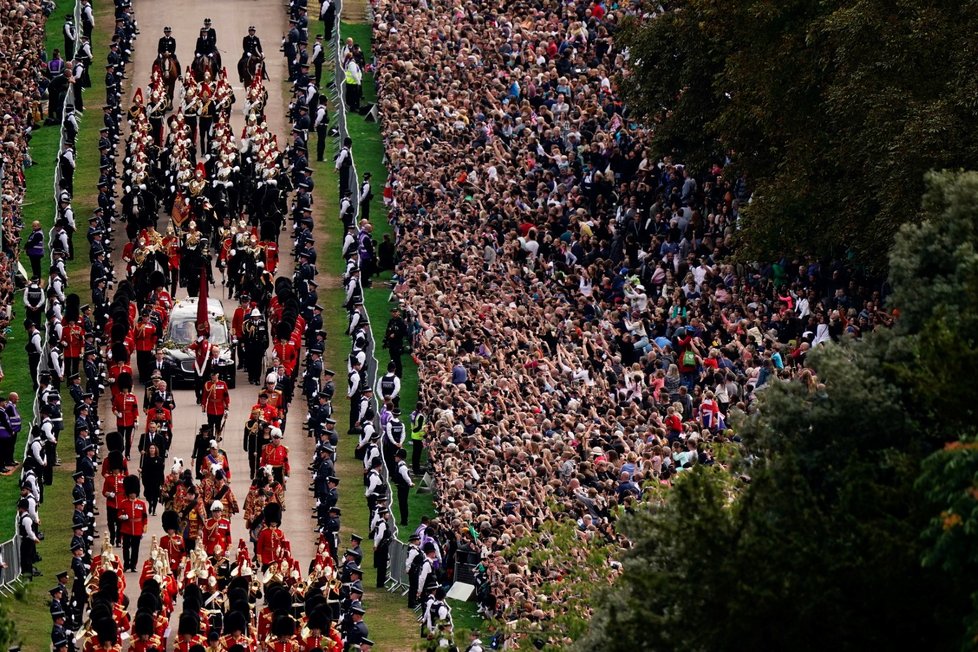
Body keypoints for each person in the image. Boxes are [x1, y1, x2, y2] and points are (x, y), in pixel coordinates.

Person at [117, 474, 148, 572]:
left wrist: (144, 528)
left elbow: (144, 516)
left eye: (134, 493)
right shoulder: (123, 503)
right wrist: (122, 517)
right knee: (126, 548)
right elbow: (119, 515)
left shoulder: (141, 504)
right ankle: (126, 564)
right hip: (127, 528)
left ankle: (133, 565)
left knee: (135, 549)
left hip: (138, 528)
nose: (132, 494)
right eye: (131, 493)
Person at [201, 369, 230, 437]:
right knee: (210, 424)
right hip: (210, 408)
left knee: (218, 424)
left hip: (220, 407)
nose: (213, 377)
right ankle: (211, 438)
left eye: (214, 375)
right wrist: (203, 405)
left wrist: (227, 407)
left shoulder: (222, 384)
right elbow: (204, 396)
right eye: (212, 375)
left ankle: (217, 437)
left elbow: (226, 396)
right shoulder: (207, 384)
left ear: (218, 375)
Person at [140, 443, 165, 515]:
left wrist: (162, 482)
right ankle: (150, 504)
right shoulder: (145, 459)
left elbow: (161, 471)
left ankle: (154, 509)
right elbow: (143, 468)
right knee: (148, 495)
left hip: (156, 480)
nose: (152, 450)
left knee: (155, 495)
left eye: (153, 448)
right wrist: (141, 470)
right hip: (147, 479)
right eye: (151, 448)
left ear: (155, 450)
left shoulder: (159, 459)